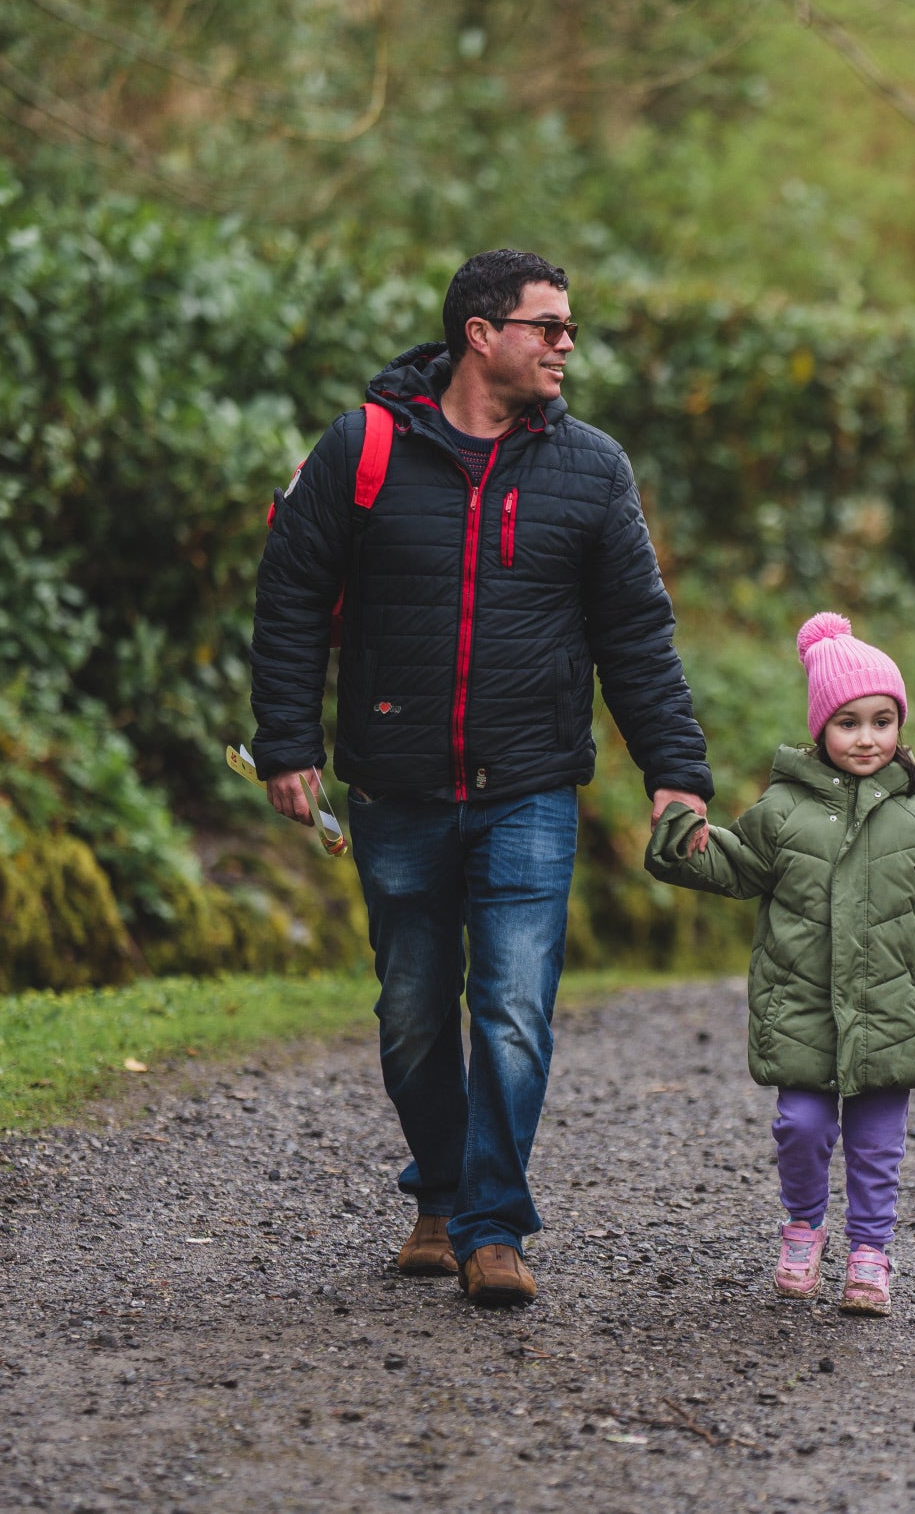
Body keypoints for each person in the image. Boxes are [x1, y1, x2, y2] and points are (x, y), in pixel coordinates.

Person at [249, 249, 714, 1309]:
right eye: (546, 325)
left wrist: (674, 771)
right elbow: (290, 595)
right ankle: (442, 1189)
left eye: (569, 329)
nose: (564, 344)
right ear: (478, 333)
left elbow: (636, 634)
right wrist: (287, 742)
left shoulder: (592, 468)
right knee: (413, 1012)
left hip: (530, 786)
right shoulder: (363, 447)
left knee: (510, 1007)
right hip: (395, 780)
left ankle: (492, 1223)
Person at [644, 613, 915, 1315]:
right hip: (803, 1010)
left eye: (881, 720)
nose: (867, 737)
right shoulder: (782, 811)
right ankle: (803, 1227)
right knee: (802, 1126)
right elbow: (736, 862)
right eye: (848, 722)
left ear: (899, 726)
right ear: (821, 730)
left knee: (877, 1144)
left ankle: (870, 1251)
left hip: (887, 1012)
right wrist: (684, 841)